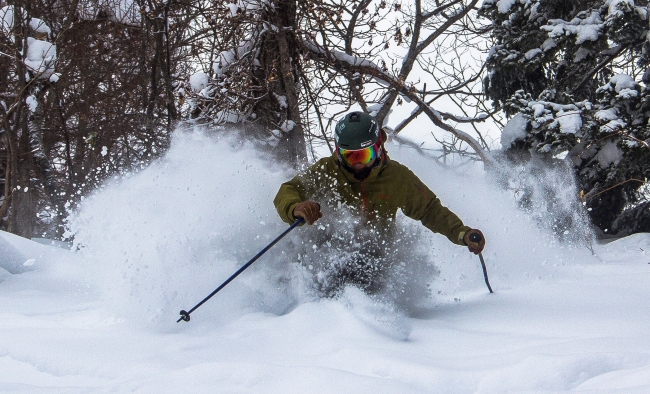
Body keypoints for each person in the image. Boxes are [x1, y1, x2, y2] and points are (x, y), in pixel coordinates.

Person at [274, 111, 485, 293]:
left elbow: (430, 210)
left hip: (375, 261)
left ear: (378, 147)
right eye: (350, 156)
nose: (357, 164)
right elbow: (289, 190)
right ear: (338, 153)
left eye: (364, 155)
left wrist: (462, 233)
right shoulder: (327, 171)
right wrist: (296, 208)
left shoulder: (396, 178)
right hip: (328, 258)